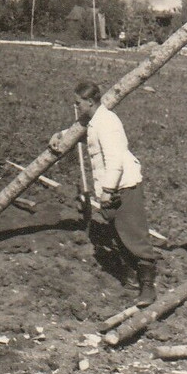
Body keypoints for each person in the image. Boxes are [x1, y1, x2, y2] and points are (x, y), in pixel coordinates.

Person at [50, 81, 161, 307]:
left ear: (90, 102)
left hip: (123, 186)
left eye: (78, 103)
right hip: (110, 188)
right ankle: (131, 276)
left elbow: (116, 162)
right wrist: (60, 134)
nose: (76, 107)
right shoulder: (94, 120)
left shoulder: (108, 123)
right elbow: (84, 133)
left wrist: (108, 190)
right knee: (119, 233)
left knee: (134, 234)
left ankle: (148, 287)